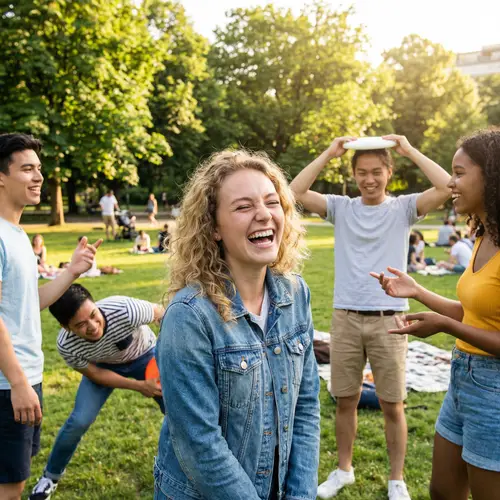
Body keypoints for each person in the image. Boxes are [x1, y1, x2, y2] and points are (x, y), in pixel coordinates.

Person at [290, 134, 451, 500]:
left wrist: (409, 150)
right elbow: (295, 193)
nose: (369, 179)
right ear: (354, 175)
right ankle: (343, 469)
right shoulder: (341, 208)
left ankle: (397, 480)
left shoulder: (405, 208)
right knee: (345, 399)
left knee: (392, 403)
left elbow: (446, 186)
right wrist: (329, 152)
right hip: (345, 318)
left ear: (389, 172)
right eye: (362, 173)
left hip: (390, 318)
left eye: (376, 172)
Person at [154, 150, 320, 500]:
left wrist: (301, 495)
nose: (263, 215)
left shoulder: (295, 294)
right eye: (243, 207)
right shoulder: (190, 315)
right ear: (213, 227)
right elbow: (199, 442)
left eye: (272, 202)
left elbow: (305, 407)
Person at [371, 128, 500, 500]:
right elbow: (475, 313)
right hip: (462, 378)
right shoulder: (483, 235)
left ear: (491, 176)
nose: (450, 182)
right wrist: (418, 291)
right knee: (442, 491)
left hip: (494, 389)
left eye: (459, 173)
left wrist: (443, 325)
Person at [0, 133, 101, 500]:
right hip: (8, 383)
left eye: (39, 169)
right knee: (10, 486)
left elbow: (26, 303)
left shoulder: (18, 235)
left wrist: (72, 271)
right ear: (1, 177)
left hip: (23, 376)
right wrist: (18, 383)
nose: (38, 177)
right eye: (27, 169)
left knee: (16, 476)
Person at [29, 284, 165, 499]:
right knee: (79, 421)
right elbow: (97, 376)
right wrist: (139, 387)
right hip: (103, 366)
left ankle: (191, 464)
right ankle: (50, 477)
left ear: (95, 304)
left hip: (145, 354)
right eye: (81, 324)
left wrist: (166, 356)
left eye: (93, 314)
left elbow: (162, 313)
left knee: (175, 407)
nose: (92, 326)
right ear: (66, 327)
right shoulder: (67, 346)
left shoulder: (125, 309)